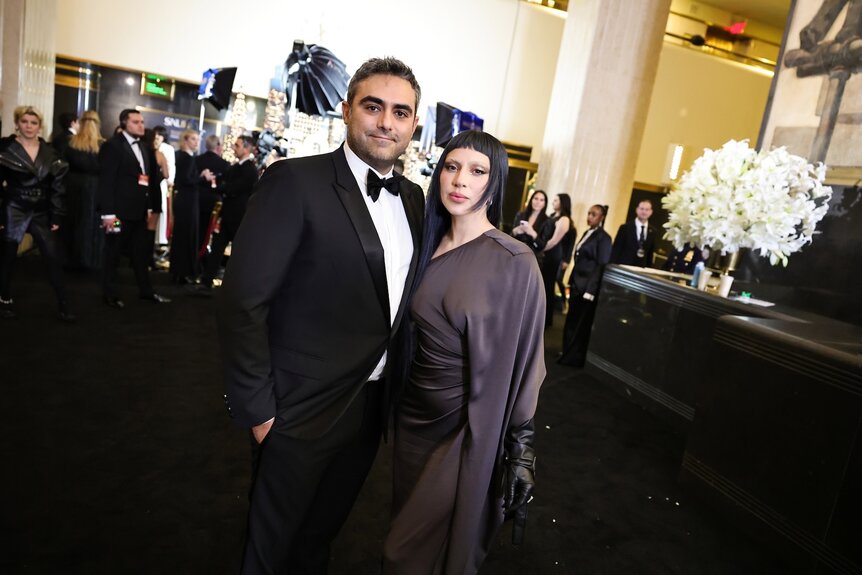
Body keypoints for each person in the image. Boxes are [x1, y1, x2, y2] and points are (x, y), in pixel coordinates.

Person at [218, 57, 424, 575]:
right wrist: (260, 411)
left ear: (413, 125)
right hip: (297, 409)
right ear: (346, 110)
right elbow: (243, 300)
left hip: (370, 408)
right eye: (373, 106)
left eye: (400, 112)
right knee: (268, 550)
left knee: (319, 541)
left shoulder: (417, 201)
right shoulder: (295, 181)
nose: (386, 122)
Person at [382, 130, 546, 574]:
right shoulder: (424, 244)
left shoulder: (514, 261)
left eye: (477, 171)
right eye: (452, 167)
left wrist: (522, 450)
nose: (460, 180)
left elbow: (526, 364)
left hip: (464, 432)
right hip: (413, 422)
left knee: (404, 555)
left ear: (494, 185)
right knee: (411, 537)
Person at [0, 105, 75, 322]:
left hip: (41, 210)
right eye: (24, 122)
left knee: (52, 257)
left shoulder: (51, 153)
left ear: (40, 126)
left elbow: (58, 188)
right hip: (13, 206)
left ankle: (63, 303)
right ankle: (4, 299)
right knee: (7, 257)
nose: (29, 126)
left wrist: (57, 215)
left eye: (33, 122)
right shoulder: (5, 149)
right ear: (17, 124)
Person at [98, 108, 170, 308]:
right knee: (113, 253)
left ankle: (146, 291)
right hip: (118, 213)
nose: (141, 125)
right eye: (136, 122)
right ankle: (109, 294)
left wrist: (153, 210)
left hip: (139, 213)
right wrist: (108, 214)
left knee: (141, 254)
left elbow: (151, 181)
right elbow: (106, 182)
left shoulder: (146, 148)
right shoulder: (112, 146)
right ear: (124, 124)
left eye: (142, 121)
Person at [190, 135, 258, 296]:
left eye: (237, 145)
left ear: (247, 148)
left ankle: (234, 287)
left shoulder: (250, 170)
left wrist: (219, 185)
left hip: (239, 217)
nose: (234, 147)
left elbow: (233, 188)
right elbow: (225, 183)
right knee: (217, 248)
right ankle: (206, 283)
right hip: (228, 215)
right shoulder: (236, 167)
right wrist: (218, 183)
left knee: (238, 253)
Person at [559, 204, 612, 367]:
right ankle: (567, 351)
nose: (590, 217)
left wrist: (591, 289)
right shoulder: (588, 233)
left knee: (580, 323)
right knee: (571, 320)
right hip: (577, 283)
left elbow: (601, 264)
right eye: (589, 213)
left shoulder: (604, 238)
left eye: (594, 214)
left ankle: (574, 356)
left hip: (587, 287)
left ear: (601, 217)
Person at [170, 129, 212, 284]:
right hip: (187, 201)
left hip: (184, 200)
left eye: (197, 139)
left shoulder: (182, 156)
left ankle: (179, 272)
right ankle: (182, 273)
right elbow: (187, 180)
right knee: (186, 236)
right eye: (193, 139)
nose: (197, 142)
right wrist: (202, 177)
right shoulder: (186, 158)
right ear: (185, 140)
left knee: (182, 236)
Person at [64, 110, 104, 270]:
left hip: (73, 187)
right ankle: (92, 260)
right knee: (94, 225)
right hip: (96, 189)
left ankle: (72, 260)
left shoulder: (70, 143)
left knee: (74, 222)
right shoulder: (103, 145)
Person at [540, 193, 575, 327]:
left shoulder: (564, 219)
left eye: (556, 200)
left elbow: (555, 241)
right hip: (548, 253)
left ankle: (546, 319)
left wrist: (541, 248)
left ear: (562, 203)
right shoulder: (553, 216)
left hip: (553, 255)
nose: (553, 202)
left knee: (548, 286)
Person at [196, 134, 229, 254]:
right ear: (218, 146)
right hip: (214, 204)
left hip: (196, 200)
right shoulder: (224, 164)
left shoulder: (197, 160)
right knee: (207, 233)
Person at [610, 198, 655, 267]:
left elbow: (650, 255)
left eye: (647, 210)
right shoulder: (625, 228)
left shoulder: (653, 231)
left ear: (651, 212)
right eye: (642, 209)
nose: (644, 212)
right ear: (637, 210)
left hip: (641, 270)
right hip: (624, 267)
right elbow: (616, 250)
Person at [151, 125, 175, 255]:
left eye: (159, 135)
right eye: (155, 135)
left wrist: (169, 180)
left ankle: (160, 239)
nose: (157, 138)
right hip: (152, 183)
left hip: (162, 184)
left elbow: (170, 168)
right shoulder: (151, 148)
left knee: (161, 210)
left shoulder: (166, 149)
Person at [510, 189, 549, 260]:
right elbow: (510, 236)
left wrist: (533, 233)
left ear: (545, 203)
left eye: (541, 200)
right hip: (515, 252)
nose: (538, 202)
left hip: (532, 257)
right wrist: (515, 231)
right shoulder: (520, 215)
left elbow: (542, 246)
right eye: (536, 198)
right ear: (531, 200)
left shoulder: (547, 221)